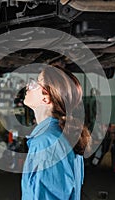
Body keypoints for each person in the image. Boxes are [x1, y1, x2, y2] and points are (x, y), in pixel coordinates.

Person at [21, 65, 91, 200]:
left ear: (46, 98)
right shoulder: (62, 135)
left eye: (35, 83)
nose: (28, 86)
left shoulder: (47, 143)